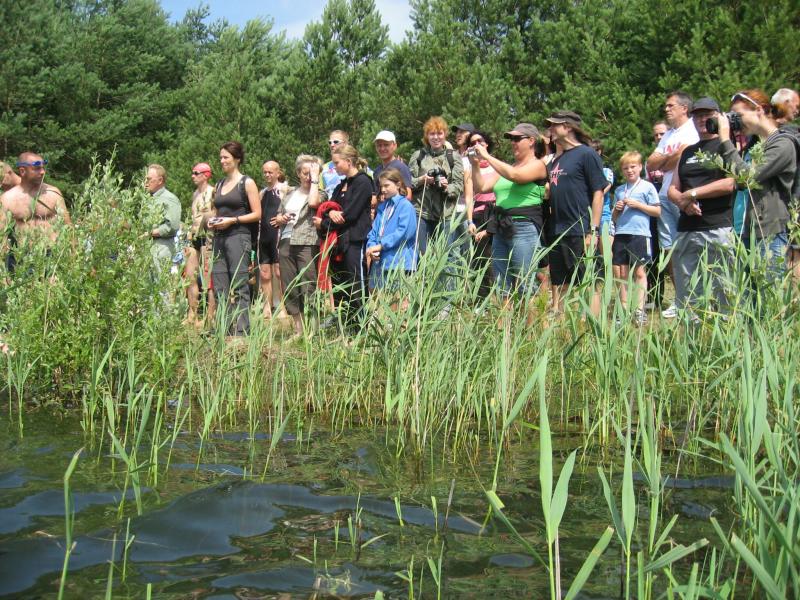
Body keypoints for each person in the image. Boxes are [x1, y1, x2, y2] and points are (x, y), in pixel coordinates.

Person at [717, 89, 799, 279]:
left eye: (738, 115)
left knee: (767, 292)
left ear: (760, 110)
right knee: (744, 295)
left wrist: (724, 139)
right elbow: (738, 181)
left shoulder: (783, 144)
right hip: (742, 231)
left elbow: (748, 177)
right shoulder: (753, 146)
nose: (735, 121)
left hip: (767, 233)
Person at [667, 97, 736, 315]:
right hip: (687, 228)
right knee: (688, 294)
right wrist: (683, 202)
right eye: (697, 115)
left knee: (724, 290)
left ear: (718, 117)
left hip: (718, 227)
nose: (702, 119)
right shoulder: (688, 151)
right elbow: (672, 188)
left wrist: (692, 194)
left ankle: (726, 331)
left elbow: (730, 183)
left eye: (707, 115)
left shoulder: (726, 147)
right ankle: (692, 333)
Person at [470, 123, 547, 306]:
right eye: (511, 139)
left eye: (517, 139)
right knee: (502, 285)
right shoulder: (509, 167)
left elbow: (516, 176)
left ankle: (531, 325)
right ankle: (506, 324)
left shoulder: (538, 165)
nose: (512, 142)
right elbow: (481, 187)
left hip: (524, 226)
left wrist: (487, 156)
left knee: (525, 285)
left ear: (531, 141)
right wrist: (475, 164)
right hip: (501, 227)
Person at [545, 111, 608, 317]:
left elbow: (598, 193)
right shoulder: (556, 159)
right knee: (561, 282)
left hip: (580, 228)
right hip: (557, 230)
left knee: (588, 281)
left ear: (568, 127)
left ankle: (590, 326)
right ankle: (563, 326)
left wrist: (593, 230)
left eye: (554, 125)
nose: (550, 129)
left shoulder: (586, 154)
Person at [647, 92, 699, 318]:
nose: (666, 109)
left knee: (691, 247)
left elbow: (684, 156)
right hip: (664, 196)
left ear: (684, 108)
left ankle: (697, 299)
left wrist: (668, 159)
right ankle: (680, 300)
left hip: (683, 194)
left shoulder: (693, 129)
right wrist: (672, 157)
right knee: (670, 249)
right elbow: (651, 164)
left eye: (671, 106)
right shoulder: (668, 134)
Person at [313, 144, 373, 331]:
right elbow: (331, 207)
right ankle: (344, 327)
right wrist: (330, 213)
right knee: (340, 286)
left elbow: (350, 214)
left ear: (348, 161)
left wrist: (324, 223)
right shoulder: (341, 185)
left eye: (337, 163)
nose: (334, 166)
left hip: (355, 241)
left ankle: (360, 330)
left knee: (355, 285)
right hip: (339, 242)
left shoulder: (363, 182)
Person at [208, 141, 262, 337]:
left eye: (226, 157)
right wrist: (212, 220)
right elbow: (217, 211)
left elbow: (257, 214)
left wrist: (233, 220)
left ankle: (241, 331)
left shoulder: (246, 183)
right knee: (220, 285)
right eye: (221, 157)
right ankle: (224, 327)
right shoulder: (219, 184)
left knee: (239, 285)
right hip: (219, 238)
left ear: (237, 159)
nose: (222, 161)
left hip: (239, 237)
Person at [271, 155, 322, 338]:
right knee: (290, 285)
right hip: (286, 241)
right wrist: (281, 218)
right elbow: (278, 215)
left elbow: (314, 203)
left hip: (307, 242)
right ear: (298, 173)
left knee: (308, 285)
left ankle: (313, 329)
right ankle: (299, 329)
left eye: (312, 173)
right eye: (305, 173)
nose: (308, 177)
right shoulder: (290, 193)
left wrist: (315, 181)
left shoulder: (320, 193)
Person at [611, 152, 661, 324]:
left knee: (639, 272)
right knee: (622, 273)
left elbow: (657, 211)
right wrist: (617, 209)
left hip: (640, 234)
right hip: (621, 233)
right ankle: (623, 310)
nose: (629, 170)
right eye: (625, 168)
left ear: (640, 167)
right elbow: (614, 218)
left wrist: (638, 205)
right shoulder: (620, 190)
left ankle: (640, 309)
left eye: (633, 167)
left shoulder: (647, 187)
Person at [1, 152, 70, 275]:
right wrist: (4, 275)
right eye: (37, 168)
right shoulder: (7, 199)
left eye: (43, 167)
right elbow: (2, 238)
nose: (42, 172)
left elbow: (68, 227)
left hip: (53, 258)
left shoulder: (53, 193)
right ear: (22, 171)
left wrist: (74, 258)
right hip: (22, 260)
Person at [408, 116, 465, 255]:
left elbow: (459, 186)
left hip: (445, 215)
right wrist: (422, 180)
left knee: (445, 256)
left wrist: (446, 187)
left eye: (439, 133)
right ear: (426, 136)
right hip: (421, 213)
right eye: (432, 134)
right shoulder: (418, 155)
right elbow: (408, 183)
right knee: (421, 254)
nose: (436, 137)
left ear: (445, 135)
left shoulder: (453, 157)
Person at [366, 168, 417, 300]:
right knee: (377, 301)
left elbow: (404, 232)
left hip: (399, 263)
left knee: (398, 303)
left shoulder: (406, 206)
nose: (383, 189)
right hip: (380, 262)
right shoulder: (382, 207)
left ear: (398, 184)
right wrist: (371, 247)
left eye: (386, 185)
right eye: (381, 186)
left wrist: (381, 245)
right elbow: (374, 231)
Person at [464, 130, 497, 301]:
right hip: (478, 214)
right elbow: (469, 197)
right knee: (480, 259)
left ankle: (499, 298)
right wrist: (469, 221)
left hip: (495, 213)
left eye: (480, 141)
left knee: (497, 256)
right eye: (472, 142)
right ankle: (481, 299)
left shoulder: (496, 165)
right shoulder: (470, 170)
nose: (476, 145)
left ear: (487, 144)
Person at [184, 163, 216, 324]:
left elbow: (215, 213)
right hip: (194, 237)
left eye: (196, 173)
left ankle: (210, 317)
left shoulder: (213, 192)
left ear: (206, 175)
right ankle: (192, 314)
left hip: (207, 236)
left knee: (208, 278)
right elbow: (194, 217)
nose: (193, 176)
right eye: (193, 173)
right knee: (190, 276)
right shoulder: (195, 193)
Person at [257, 161, 289, 320]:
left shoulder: (284, 189)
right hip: (263, 236)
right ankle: (267, 306)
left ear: (277, 173)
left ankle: (281, 305)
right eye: (265, 172)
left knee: (278, 271)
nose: (267, 175)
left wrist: (283, 218)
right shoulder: (262, 193)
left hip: (278, 234)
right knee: (264, 273)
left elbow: (292, 209)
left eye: (270, 172)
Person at [144, 164, 182, 273]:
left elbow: (172, 227)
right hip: (148, 248)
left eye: (149, 179)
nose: (146, 182)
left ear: (160, 180)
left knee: (160, 282)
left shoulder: (169, 199)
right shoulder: (150, 199)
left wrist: (149, 233)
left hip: (162, 248)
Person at [322, 130, 350, 198]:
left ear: (346, 143)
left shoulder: (358, 165)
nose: (332, 145)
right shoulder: (323, 168)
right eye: (330, 142)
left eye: (336, 142)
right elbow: (320, 191)